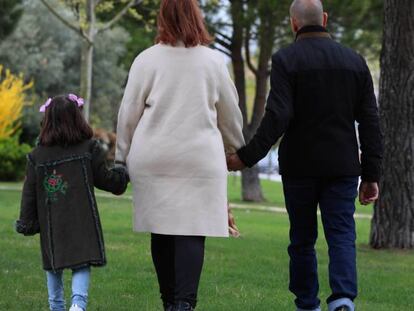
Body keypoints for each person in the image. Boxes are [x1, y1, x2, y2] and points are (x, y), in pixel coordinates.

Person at [227, 0, 383, 310]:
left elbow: (277, 116)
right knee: (341, 234)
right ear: (324, 19)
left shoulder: (286, 60)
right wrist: (371, 175)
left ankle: (307, 303)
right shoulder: (354, 61)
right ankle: (342, 299)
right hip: (342, 166)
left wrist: (246, 157)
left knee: (302, 239)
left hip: (299, 166)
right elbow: (370, 121)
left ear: (293, 24)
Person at [115, 0, 245, 310]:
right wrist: (236, 150)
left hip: (154, 157)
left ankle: (168, 301)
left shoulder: (146, 60)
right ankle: (184, 304)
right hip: (199, 160)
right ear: (197, 18)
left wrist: (121, 157)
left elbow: (128, 113)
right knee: (192, 230)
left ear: (162, 19)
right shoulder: (213, 62)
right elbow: (229, 115)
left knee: (161, 230)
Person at [16, 94, 129, 311]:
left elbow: (29, 193)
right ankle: (78, 303)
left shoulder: (37, 156)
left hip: (52, 223)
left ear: (47, 120)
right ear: (77, 118)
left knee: (53, 265)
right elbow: (106, 179)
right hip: (81, 219)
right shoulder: (88, 149)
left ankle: (56, 306)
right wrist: (121, 175)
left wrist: (27, 222)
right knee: (81, 260)